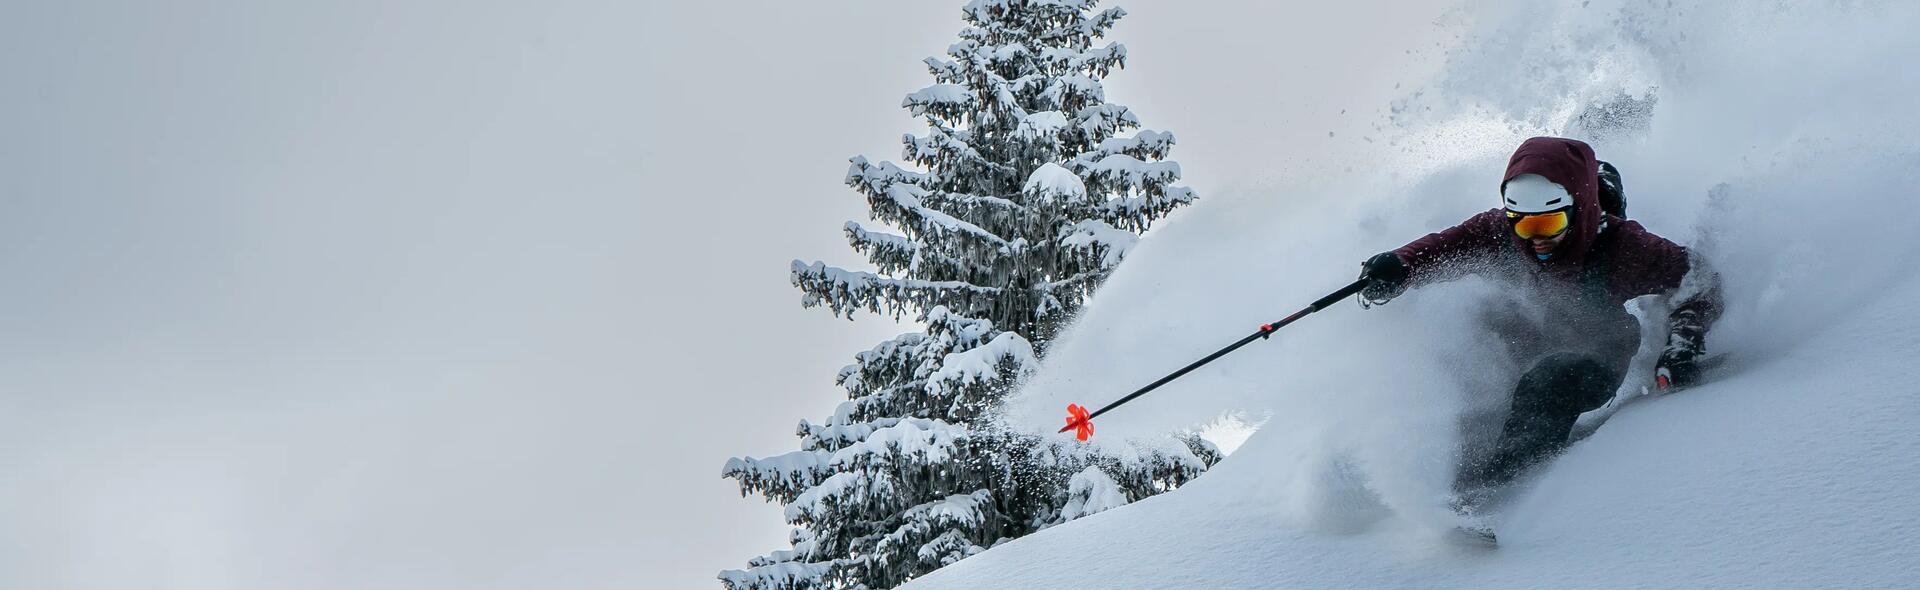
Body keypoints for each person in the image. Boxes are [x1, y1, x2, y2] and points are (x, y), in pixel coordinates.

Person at [1357, 136, 1721, 491]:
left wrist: (1682, 343)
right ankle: (1425, 475)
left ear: (1579, 210)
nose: (1535, 238)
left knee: (1549, 379)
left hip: (1594, 356)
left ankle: (1500, 487)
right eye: (1524, 223)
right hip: (1523, 344)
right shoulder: (1499, 232)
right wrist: (1397, 267)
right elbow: (1442, 249)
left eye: (1549, 224)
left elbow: (1700, 279)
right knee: (1465, 371)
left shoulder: (1621, 246)